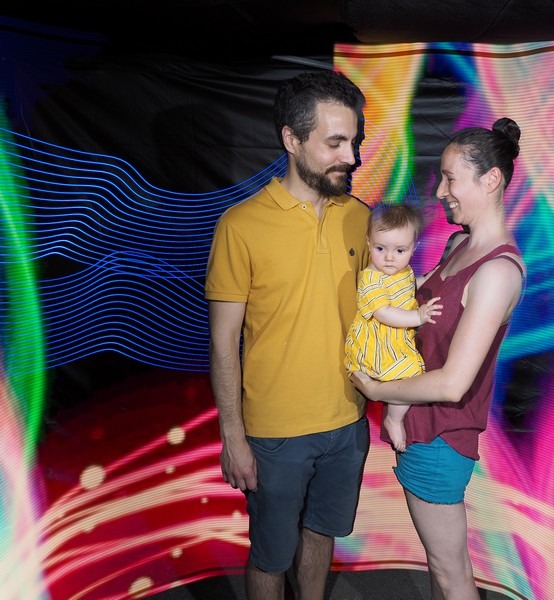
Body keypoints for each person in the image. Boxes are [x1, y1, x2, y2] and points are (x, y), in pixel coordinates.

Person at [205, 70, 372, 600]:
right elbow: (222, 343)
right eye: (335, 143)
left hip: (347, 423)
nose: (350, 156)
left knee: (321, 534)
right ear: (291, 139)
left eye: (354, 142)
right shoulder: (240, 226)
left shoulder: (361, 218)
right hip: (274, 434)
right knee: (271, 556)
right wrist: (233, 437)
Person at [351, 117, 525, 600]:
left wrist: (377, 390)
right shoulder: (460, 245)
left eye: (450, 178)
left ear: (491, 180)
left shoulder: (498, 272)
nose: (440, 191)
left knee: (450, 571)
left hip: (440, 436)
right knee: (443, 564)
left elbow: (452, 383)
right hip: (419, 427)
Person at [344, 204, 443, 452]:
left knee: (411, 373)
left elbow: (408, 284)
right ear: (369, 242)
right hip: (376, 342)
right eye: (380, 248)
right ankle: (394, 419)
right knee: (410, 372)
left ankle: (394, 415)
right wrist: (418, 316)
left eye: (400, 250)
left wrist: (427, 278)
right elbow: (383, 313)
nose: (389, 257)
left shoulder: (403, 270)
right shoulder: (370, 278)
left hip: (397, 338)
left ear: (413, 247)